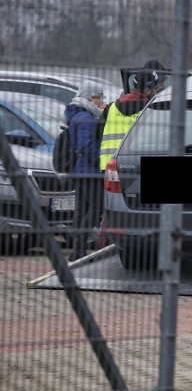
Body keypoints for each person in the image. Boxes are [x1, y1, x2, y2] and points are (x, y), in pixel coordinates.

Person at [99, 59, 166, 171]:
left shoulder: (110, 108)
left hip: (108, 167)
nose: (157, 91)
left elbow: (97, 136)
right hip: (136, 166)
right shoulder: (150, 110)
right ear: (148, 90)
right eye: (155, 88)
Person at [66, 80, 106, 261]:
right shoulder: (86, 118)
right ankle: (80, 243)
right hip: (89, 171)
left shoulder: (81, 115)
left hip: (80, 170)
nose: (102, 100)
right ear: (91, 97)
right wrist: (101, 161)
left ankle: (77, 250)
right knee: (96, 208)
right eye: (100, 96)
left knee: (81, 210)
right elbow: (85, 145)